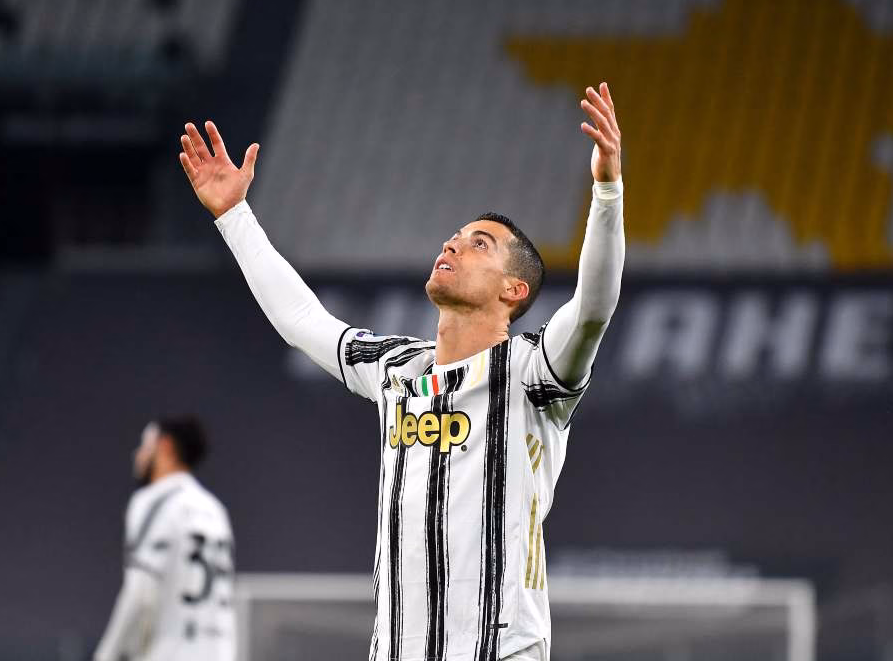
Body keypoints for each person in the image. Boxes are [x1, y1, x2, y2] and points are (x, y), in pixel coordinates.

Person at [178, 83, 624, 661]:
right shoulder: (397, 369)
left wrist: (607, 190)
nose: (453, 246)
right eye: (454, 238)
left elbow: (593, 308)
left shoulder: (532, 374)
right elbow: (302, 320)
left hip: (497, 649)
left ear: (514, 290)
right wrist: (235, 216)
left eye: (479, 245)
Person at [94, 417, 235, 661]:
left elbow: (141, 592)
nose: (138, 455)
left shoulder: (156, 501)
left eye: (144, 445)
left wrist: (107, 654)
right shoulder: (215, 509)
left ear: (165, 446)